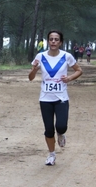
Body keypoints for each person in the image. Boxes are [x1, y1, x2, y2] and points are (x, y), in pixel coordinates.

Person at [28, 30, 83, 166]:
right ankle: (52, 155)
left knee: (61, 126)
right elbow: (30, 78)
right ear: (48, 41)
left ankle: (61, 134)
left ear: (60, 42)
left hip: (61, 97)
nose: (53, 41)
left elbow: (79, 70)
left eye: (56, 39)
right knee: (48, 129)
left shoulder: (66, 56)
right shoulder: (40, 56)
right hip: (45, 98)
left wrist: (69, 78)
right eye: (51, 39)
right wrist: (34, 70)